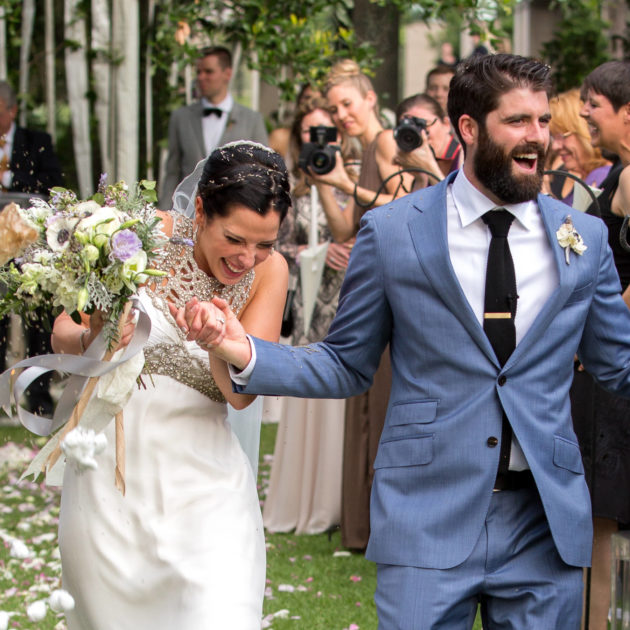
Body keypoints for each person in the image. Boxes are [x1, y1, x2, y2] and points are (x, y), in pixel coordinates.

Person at [174, 53, 630, 629]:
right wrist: (244, 352)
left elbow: (620, 364)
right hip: (426, 514)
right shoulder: (392, 233)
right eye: (517, 121)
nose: (536, 137)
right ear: (468, 129)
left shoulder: (583, 238)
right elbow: (346, 363)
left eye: (542, 121)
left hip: (545, 523)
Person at [52, 142, 291, 630]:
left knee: (220, 613)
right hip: (112, 473)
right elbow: (62, 332)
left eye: (264, 243)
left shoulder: (272, 274)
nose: (249, 258)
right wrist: (95, 334)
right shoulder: (136, 235)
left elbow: (244, 393)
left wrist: (220, 344)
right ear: (200, 209)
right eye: (236, 238)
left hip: (206, 481)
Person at [307, 59, 413, 550]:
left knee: (385, 394)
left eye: (348, 103)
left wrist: (350, 185)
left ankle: (387, 522)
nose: (342, 113)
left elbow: (406, 201)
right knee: (366, 397)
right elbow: (346, 227)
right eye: (334, 107)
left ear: (370, 99)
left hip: (398, 280)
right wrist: (325, 181)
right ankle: (363, 526)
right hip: (369, 277)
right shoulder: (357, 152)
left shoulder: (388, 140)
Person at [263, 96, 357, 535]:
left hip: (349, 301)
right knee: (310, 389)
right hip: (307, 304)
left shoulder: (355, 182)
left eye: (327, 132)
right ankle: (305, 500)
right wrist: (315, 252)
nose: (319, 140)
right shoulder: (286, 188)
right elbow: (271, 248)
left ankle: (344, 501)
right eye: (309, 132)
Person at [577, 60, 630, 630]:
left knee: (601, 518)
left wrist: (598, 325)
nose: (586, 112)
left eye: (594, 103)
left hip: (615, 369)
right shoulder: (617, 173)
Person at [0, 80, 63, 416]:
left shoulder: (37, 143)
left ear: (11, 110)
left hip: (29, 248)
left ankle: (39, 394)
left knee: (36, 321)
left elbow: (51, 187)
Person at [159, 46, 269, 209]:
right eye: (199, 72)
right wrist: (163, 215)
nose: (201, 77)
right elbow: (172, 173)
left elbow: (262, 174)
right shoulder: (180, 118)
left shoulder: (252, 120)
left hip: (234, 215)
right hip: (187, 217)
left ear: (227, 74)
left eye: (209, 71)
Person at [546, 89, 610, 207]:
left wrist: (545, 194)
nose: (555, 146)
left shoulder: (600, 177)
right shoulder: (586, 177)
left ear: (583, 130)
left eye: (561, 136)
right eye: (552, 137)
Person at [394, 93, 462, 189]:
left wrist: (429, 168)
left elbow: (457, 202)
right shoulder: (421, 165)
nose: (420, 133)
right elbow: (418, 203)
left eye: (422, 124)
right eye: (409, 127)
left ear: (446, 124)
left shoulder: (465, 156)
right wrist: (420, 179)